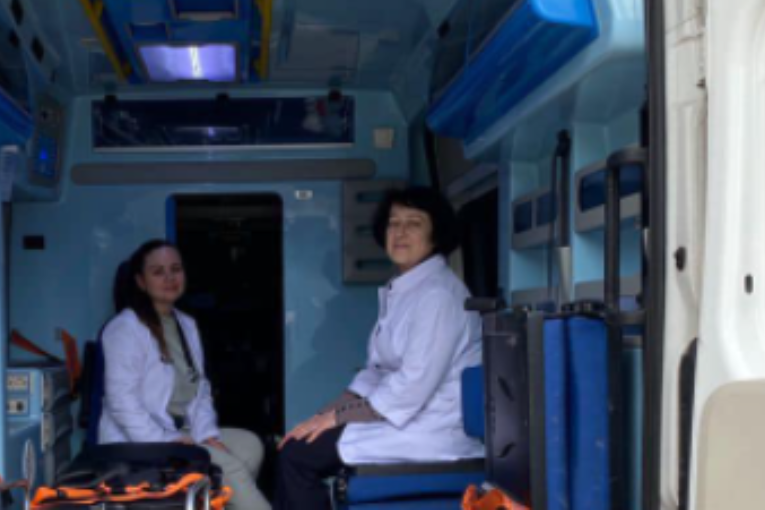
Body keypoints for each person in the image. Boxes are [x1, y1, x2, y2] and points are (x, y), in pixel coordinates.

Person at [277, 188, 483, 509]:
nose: (400, 232)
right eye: (393, 223)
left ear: (436, 234)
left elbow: (411, 386)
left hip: (432, 431)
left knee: (297, 458)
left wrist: (336, 419)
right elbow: (374, 373)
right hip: (404, 418)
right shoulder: (405, 290)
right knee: (299, 443)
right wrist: (321, 416)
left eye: (413, 223)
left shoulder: (438, 296)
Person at [100, 240, 272, 510]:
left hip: (183, 432)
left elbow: (200, 389)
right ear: (141, 282)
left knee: (249, 446)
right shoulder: (125, 328)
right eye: (158, 272)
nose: (170, 278)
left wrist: (207, 435)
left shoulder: (185, 324)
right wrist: (166, 441)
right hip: (138, 442)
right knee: (228, 467)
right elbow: (121, 404)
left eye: (175, 269)